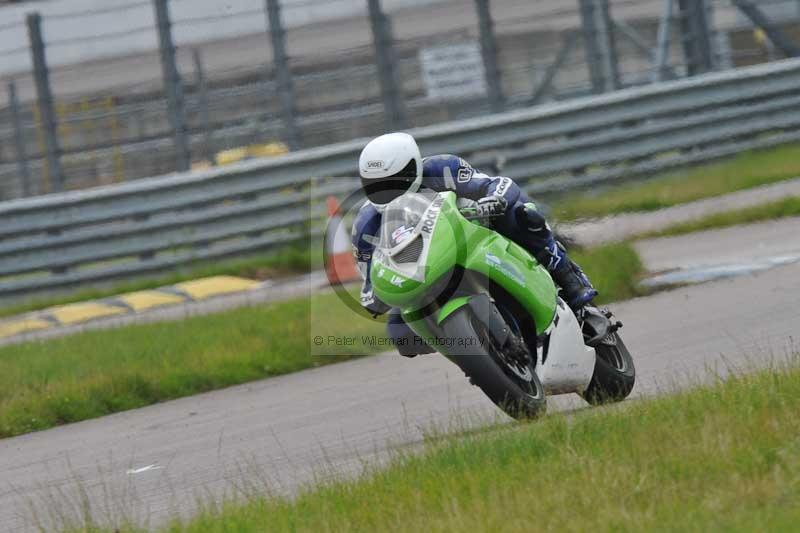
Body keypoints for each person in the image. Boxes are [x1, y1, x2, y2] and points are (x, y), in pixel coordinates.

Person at [351, 132, 597, 357]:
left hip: (477, 234)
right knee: (400, 335)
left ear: (413, 168)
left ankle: (568, 277)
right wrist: (381, 294)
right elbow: (371, 286)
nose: (387, 192)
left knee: (523, 214)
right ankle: (476, 355)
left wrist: (494, 200)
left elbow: (498, 184)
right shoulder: (366, 226)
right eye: (376, 186)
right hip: (429, 270)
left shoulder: (442, 168)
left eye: (394, 182)